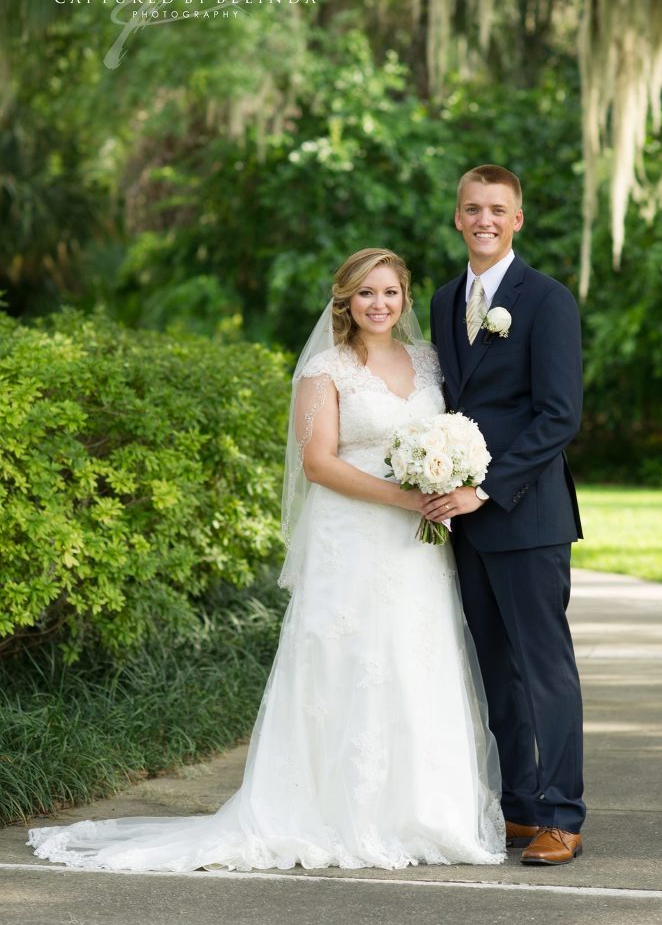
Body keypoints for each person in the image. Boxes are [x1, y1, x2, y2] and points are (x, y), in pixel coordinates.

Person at [29, 248, 505, 872]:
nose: (379, 304)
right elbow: (319, 463)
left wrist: (444, 477)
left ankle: (424, 813)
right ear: (345, 300)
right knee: (345, 657)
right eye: (366, 293)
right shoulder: (325, 369)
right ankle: (329, 812)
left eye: (390, 292)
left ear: (405, 297)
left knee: (415, 656)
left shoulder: (429, 361)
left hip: (416, 545)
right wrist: (407, 498)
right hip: (353, 535)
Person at [425, 166, 586, 865]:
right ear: (457, 218)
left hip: (527, 515)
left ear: (517, 219)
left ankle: (563, 815)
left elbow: (559, 416)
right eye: (472, 208)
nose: (483, 219)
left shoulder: (546, 300)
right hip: (463, 523)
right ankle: (520, 806)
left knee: (544, 669)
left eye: (497, 209)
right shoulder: (442, 301)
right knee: (496, 667)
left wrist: (485, 489)